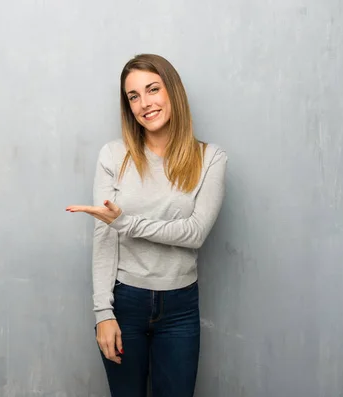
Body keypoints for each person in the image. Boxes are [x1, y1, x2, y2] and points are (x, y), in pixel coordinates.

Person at [66, 53, 227, 397]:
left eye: (152, 89)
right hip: (125, 302)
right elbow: (104, 236)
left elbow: (195, 233)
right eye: (134, 96)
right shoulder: (113, 155)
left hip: (181, 307)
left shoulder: (210, 158)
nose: (144, 103)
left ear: (173, 92)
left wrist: (125, 222)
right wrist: (102, 313)